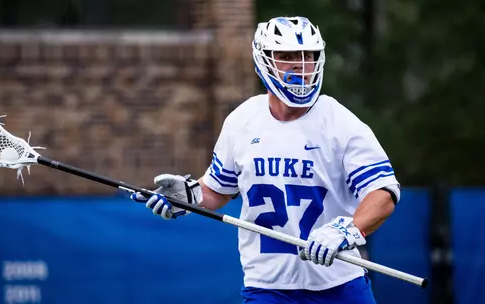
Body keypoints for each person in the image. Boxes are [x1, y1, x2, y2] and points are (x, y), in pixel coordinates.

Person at [131, 16, 399, 304]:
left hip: (339, 284)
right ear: (263, 60)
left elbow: (382, 194)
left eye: (308, 56)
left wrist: (347, 229)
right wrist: (188, 197)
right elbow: (217, 190)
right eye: (287, 56)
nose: (301, 65)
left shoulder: (341, 123)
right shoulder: (242, 121)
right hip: (267, 288)